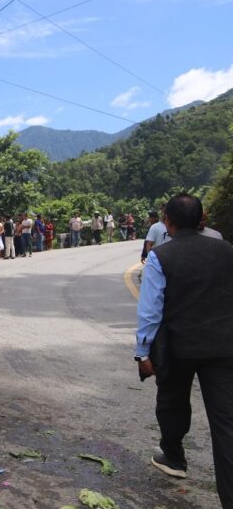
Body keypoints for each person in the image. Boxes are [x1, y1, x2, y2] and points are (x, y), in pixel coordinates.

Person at [135, 193, 233, 508]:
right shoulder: (226, 250)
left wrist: (143, 353)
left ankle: (175, 456)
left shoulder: (161, 256)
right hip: (223, 345)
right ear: (202, 218)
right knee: (226, 423)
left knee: (172, 403)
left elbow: (150, 311)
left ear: (167, 222)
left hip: (178, 346)